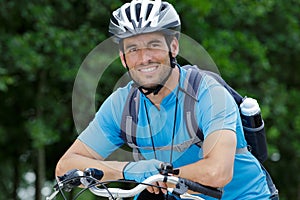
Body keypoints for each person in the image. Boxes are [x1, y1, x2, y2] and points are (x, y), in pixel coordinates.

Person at [55, 0, 272, 199]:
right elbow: (65, 167)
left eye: (154, 45)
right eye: (133, 49)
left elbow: (218, 172)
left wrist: (159, 176)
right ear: (123, 58)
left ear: (173, 47)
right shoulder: (122, 105)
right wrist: (132, 170)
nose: (144, 57)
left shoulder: (208, 93)